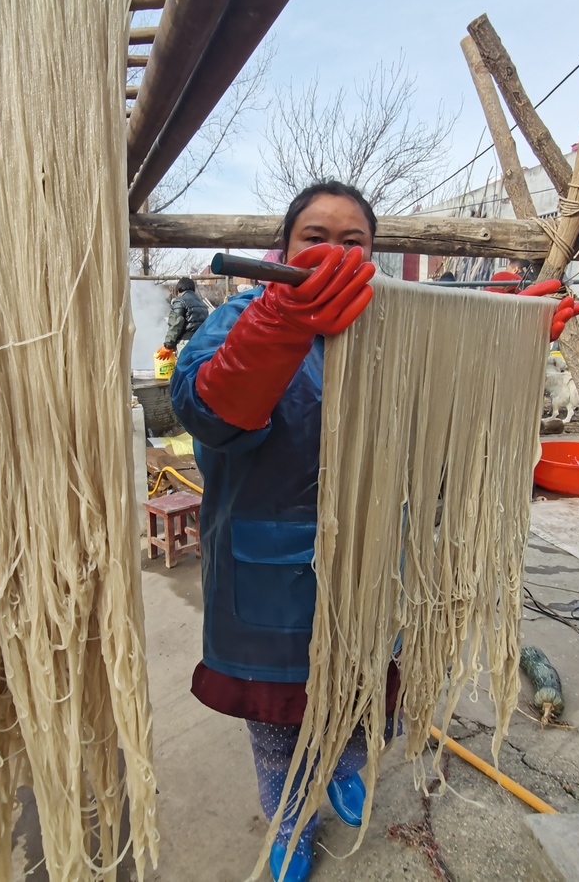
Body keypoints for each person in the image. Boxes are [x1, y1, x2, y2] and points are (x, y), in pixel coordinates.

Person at [169, 181, 387, 882]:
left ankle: (348, 768)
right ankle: (291, 818)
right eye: (314, 238)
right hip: (268, 570)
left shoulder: (391, 327)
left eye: (352, 242)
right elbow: (202, 406)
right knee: (278, 716)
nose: (332, 253)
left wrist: (512, 338)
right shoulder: (240, 314)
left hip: (370, 559)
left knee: (357, 687)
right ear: (282, 251)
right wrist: (280, 327)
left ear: (373, 257)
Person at [156, 277, 209, 363]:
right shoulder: (202, 304)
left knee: (183, 370)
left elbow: (175, 324)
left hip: (186, 343)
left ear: (178, 291)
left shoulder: (180, 301)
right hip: (200, 344)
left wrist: (168, 346)